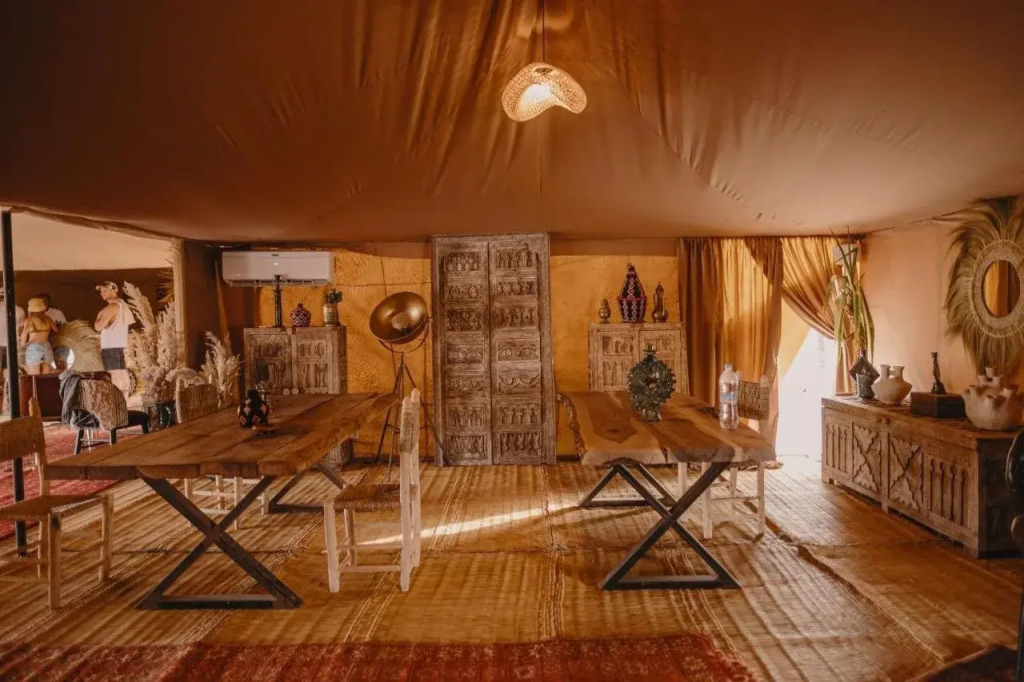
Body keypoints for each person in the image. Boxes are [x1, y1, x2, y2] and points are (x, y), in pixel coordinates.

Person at [95, 281, 135, 372]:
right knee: (120, 376)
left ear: (114, 291)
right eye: (101, 291)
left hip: (111, 350)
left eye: (105, 290)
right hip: (118, 349)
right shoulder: (122, 305)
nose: (102, 293)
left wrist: (99, 315)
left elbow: (98, 326)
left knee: (114, 377)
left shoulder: (113, 307)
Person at [21, 297, 57, 375]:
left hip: (33, 347)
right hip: (46, 346)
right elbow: (56, 330)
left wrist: (23, 345)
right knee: (46, 376)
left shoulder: (29, 320)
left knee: (34, 376)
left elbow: (24, 335)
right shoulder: (48, 319)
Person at [39, 292, 69, 370]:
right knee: (45, 365)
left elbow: (64, 327)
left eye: (45, 300)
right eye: (40, 301)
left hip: (58, 342)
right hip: (44, 343)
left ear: (48, 301)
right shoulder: (35, 315)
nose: (43, 302)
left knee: (61, 363)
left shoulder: (57, 313)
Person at [0, 289, 25, 370]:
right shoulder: (19, 310)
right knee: (11, 369)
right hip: (14, 343)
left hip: (5, 343)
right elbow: (21, 329)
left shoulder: (19, 310)